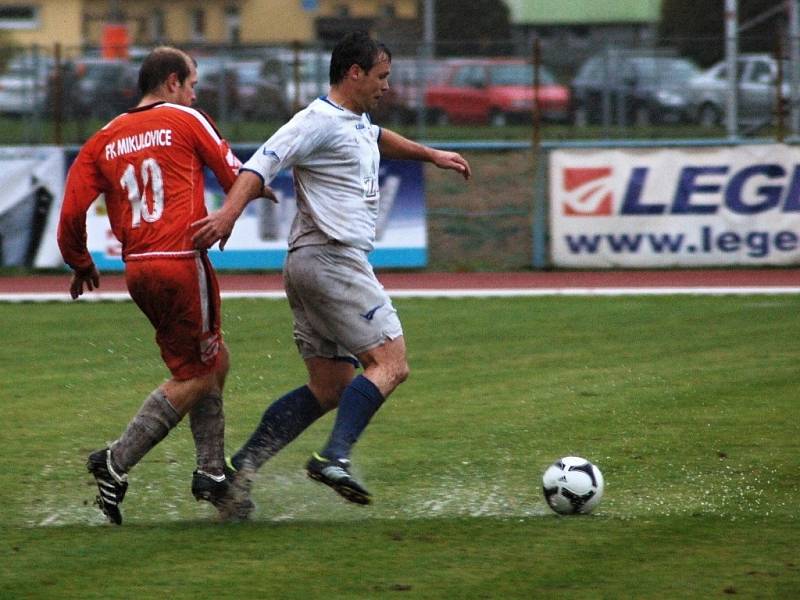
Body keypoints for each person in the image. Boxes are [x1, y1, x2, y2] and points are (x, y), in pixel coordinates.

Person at [192, 31, 471, 515]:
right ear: (354, 73)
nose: (387, 87)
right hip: (332, 258)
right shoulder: (315, 121)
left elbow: (379, 138)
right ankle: (332, 457)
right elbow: (262, 163)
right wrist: (229, 214)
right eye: (381, 77)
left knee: (329, 387)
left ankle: (238, 473)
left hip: (309, 263)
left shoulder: (355, 121)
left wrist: (430, 155)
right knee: (391, 363)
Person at [57, 46, 272, 524]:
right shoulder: (184, 117)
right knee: (195, 375)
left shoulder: (105, 137)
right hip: (180, 258)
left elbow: (71, 210)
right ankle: (114, 462)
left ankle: (213, 474)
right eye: (192, 83)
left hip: (139, 269)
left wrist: (79, 260)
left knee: (211, 358)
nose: (195, 93)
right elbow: (234, 173)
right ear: (173, 82)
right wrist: (254, 186)